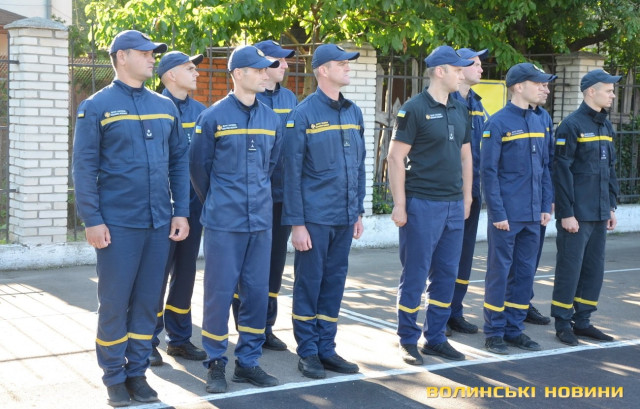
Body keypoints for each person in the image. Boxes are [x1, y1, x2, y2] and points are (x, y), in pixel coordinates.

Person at [72, 30, 190, 407]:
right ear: (122, 57)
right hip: (117, 225)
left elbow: (179, 163)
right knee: (114, 302)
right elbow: (84, 168)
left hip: (158, 223)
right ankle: (113, 376)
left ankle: (137, 372)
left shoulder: (164, 106)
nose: (153, 58)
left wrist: (181, 211)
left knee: (147, 303)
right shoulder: (97, 106)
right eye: (145, 53)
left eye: (154, 53)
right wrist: (92, 219)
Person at [190, 45, 282, 393]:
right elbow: (199, 170)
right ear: (238, 74)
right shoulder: (212, 117)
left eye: (265, 69)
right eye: (257, 70)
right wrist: (219, 201)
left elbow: (271, 166)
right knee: (219, 293)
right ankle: (215, 363)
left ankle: (248, 362)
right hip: (224, 223)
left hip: (260, 222)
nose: (264, 74)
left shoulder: (271, 119)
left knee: (256, 294)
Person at [282, 44, 365, 379]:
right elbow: (290, 174)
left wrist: (358, 211)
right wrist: (297, 224)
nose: (347, 67)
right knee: (309, 285)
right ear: (322, 70)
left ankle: (326, 348)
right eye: (341, 63)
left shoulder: (354, 112)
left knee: (334, 285)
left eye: (347, 63)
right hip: (314, 219)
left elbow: (358, 165)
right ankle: (308, 352)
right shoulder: (302, 115)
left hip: (344, 217)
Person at [388, 45, 473, 365]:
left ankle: (435, 337)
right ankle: (407, 339)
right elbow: (395, 158)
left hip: (453, 205)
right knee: (415, 273)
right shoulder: (414, 109)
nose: (462, 74)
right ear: (440, 71)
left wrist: (466, 197)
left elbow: (466, 156)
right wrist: (400, 204)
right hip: (422, 204)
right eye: (457, 69)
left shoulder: (460, 108)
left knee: (447, 274)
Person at [481, 63, 554, 355]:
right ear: (519, 86)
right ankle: (494, 332)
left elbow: (546, 166)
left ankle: (514, 329)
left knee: (524, 274)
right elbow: (489, 172)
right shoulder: (497, 123)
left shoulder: (540, 120)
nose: (545, 89)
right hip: (507, 216)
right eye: (539, 84)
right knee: (499, 273)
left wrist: (546, 204)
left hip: (534, 215)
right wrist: (497, 213)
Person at [231, 40, 297, 351]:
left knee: (274, 266)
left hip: (281, 198)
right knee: (246, 268)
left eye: (284, 60)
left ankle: (266, 327)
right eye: (278, 60)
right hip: (252, 199)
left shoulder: (290, 98)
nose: (285, 65)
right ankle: (245, 325)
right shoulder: (245, 99)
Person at [551, 69, 621, 346]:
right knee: (570, 269)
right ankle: (562, 322)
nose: (613, 95)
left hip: (600, 212)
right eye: (609, 90)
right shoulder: (571, 125)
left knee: (593, 269)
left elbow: (610, 169)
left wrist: (611, 207)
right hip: (577, 214)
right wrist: (566, 212)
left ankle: (583, 321)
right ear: (591, 91)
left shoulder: (605, 125)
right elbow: (561, 172)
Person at [149, 51, 208, 366]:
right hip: (163, 207)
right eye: (189, 68)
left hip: (193, 207)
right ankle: (146, 339)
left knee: (185, 274)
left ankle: (180, 339)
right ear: (170, 74)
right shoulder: (153, 109)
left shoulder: (201, 113)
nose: (196, 73)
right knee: (155, 276)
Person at [448, 47, 489, 336]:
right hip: (447, 193)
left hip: (471, 193)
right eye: (475, 64)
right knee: (443, 258)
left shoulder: (477, 104)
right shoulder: (444, 101)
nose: (481, 69)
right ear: (459, 69)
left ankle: (455, 312)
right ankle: (437, 315)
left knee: (464, 255)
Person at [522, 81, 554, 326]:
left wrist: (548, 199)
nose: (546, 90)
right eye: (541, 85)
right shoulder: (508, 118)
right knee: (513, 262)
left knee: (531, 258)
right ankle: (508, 307)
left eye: (547, 85)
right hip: (516, 204)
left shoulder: (544, 117)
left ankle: (524, 302)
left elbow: (549, 162)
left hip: (538, 201)